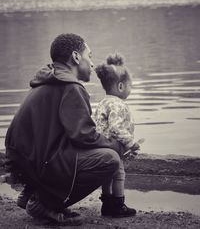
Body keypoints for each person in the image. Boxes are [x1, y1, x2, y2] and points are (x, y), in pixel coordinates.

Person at [5, 33, 127, 226]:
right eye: (90, 56)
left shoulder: (50, 79)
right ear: (76, 57)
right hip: (36, 162)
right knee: (109, 158)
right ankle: (46, 204)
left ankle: (35, 192)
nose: (93, 64)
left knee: (97, 150)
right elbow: (84, 136)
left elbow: (73, 134)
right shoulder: (71, 86)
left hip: (24, 159)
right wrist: (117, 146)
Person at [94, 54, 143, 217]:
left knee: (107, 175)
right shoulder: (118, 104)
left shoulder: (103, 102)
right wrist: (130, 143)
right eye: (131, 86)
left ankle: (106, 205)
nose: (131, 89)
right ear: (121, 86)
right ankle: (118, 206)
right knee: (119, 174)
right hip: (112, 147)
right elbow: (115, 128)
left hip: (101, 147)